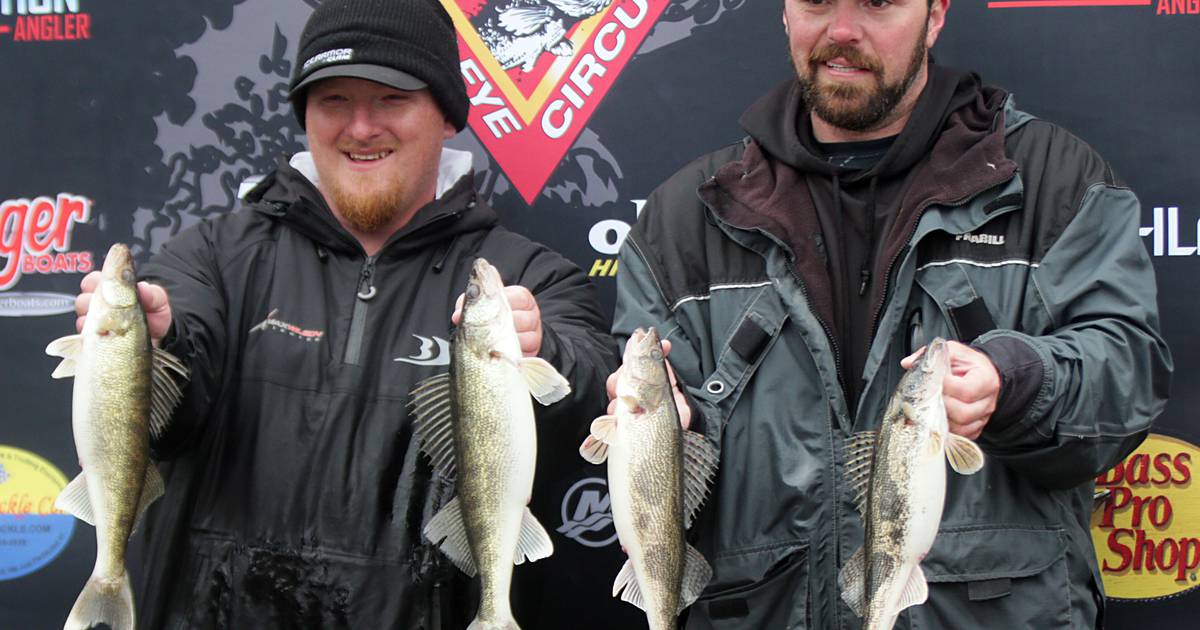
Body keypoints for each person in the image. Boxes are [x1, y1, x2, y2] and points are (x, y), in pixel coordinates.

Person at [610, 0, 1172, 627]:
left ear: (935, 16)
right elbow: (661, 483)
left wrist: (1016, 384)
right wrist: (672, 429)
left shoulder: (1051, 181)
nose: (842, 31)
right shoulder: (682, 218)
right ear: (785, 14)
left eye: (878, 3)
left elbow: (1131, 374)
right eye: (818, 2)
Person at [71, 0, 617, 627]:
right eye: (333, 101)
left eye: (390, 99)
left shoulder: (528, 276)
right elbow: (168, 407)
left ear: (446, 116)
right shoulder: (210, 257)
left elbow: (602, 403)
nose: (360, 128)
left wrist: (545, 351)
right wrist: (155, 346)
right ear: (304, 117)